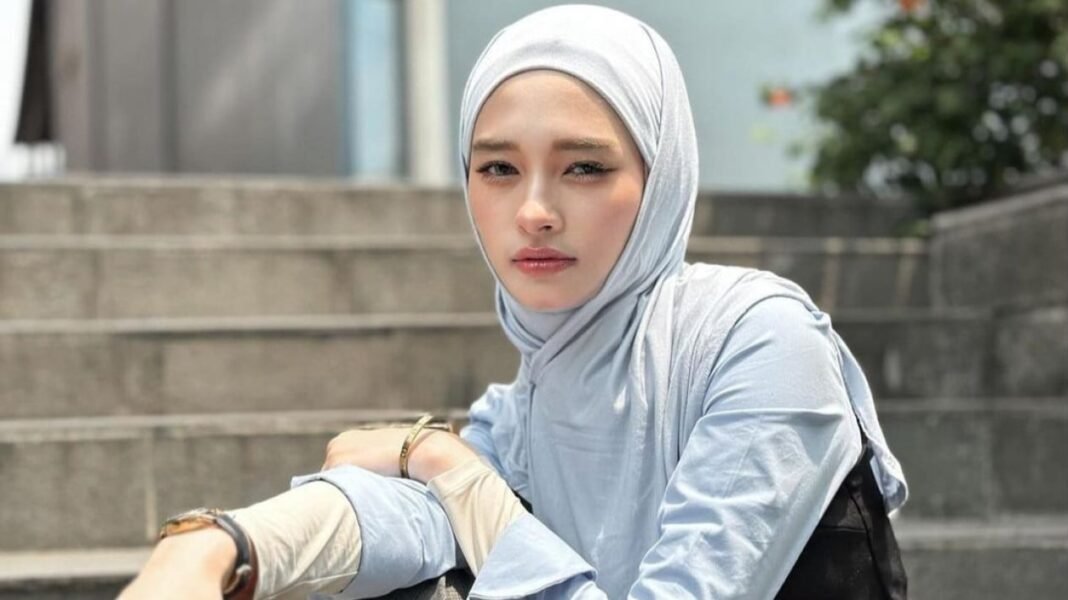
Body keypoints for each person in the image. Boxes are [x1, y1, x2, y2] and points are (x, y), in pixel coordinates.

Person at [120, 5, 908, 599]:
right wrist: (217, 544)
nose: (534, 211)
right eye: (498, 169)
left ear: (660, 179)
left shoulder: (762, 341)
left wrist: (444, 462)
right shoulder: (528, 407)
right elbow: (399, 516)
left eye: (584, 168)